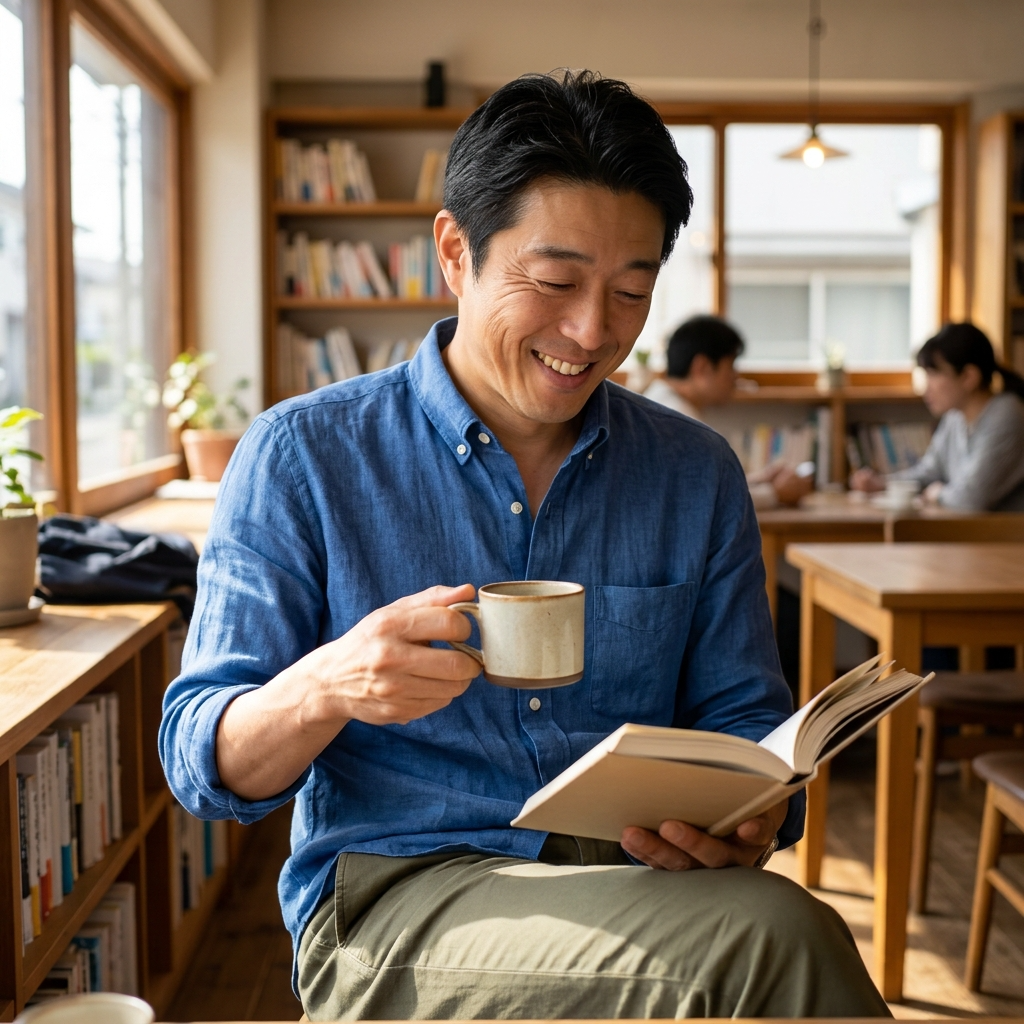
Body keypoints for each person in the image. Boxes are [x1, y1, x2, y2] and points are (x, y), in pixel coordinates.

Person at [160, 72, 889, 1021]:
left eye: (631, 293)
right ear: (455, 252)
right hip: (399, 905)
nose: (591, 332)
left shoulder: (694, 471)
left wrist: (750, 815)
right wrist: (329, 684)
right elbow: (200, 764)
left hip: (647, 884)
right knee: (779, 940)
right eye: (553, 284)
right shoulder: (304, 456)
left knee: (760, 922)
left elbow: (742, 715)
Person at [645, 314, 814, 507]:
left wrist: (757, 481)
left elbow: (705, 485)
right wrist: (775, 494)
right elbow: (707, 500)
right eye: (731, 366)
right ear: (703, 367)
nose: (735, 377)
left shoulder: (660, 403)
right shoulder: (678, 422)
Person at [851, 322, 1024, 510]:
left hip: (1004, 537)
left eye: (933, 375)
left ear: (969, 377)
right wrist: (882, 484)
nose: (927, 388)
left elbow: (971, 499)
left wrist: (938, 493)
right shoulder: (955, 417)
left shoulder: (1007, 415)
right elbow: (928, 473)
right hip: (970, 534)